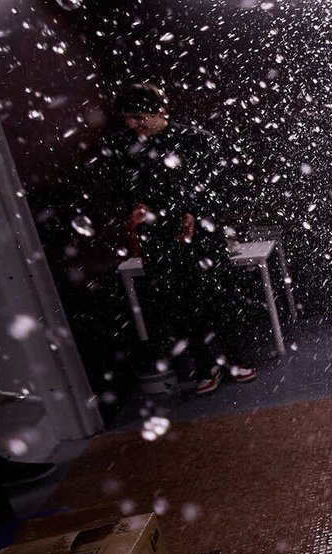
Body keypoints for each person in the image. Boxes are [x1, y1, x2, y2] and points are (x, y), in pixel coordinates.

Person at [90, 83, 257, 395]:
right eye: (127, 118)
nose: (132, 124)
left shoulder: (195, 139)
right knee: (178, 304)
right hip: (159, 237)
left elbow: (217, 184)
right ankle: (205, 366)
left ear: (159, 112)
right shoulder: (120, 147)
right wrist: (133, 208)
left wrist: (195, 211)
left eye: (139, 117)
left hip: (202, 234)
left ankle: (235, 359)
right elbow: (116, 188)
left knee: (219, 296)